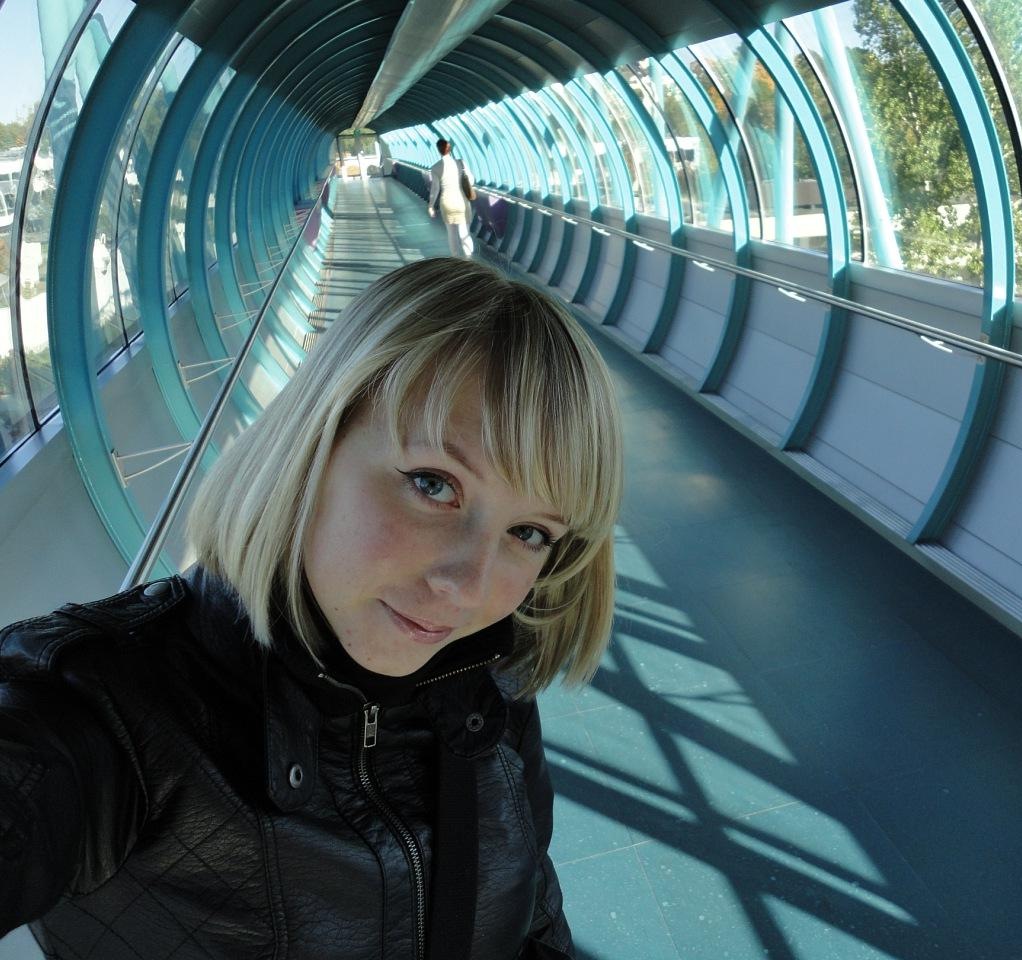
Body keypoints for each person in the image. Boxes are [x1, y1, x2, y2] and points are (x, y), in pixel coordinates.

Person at [0, 257, 624, 959]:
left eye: (529, 532)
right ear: (314, 444)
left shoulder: (491, 690)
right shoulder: (103, 714)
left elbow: (533, 920)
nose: (468, 586)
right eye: (433, 484)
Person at [428, 138, 476, 259]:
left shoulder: (435, 167)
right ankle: (469, 260)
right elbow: (471, 180)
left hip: (447, 202)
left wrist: (431, 206)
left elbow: (435, 189)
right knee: (464, 233)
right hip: (462, 202)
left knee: (451, 233)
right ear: (449, 149)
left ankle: (456, 259)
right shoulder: (461, 163)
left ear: (438, 150)